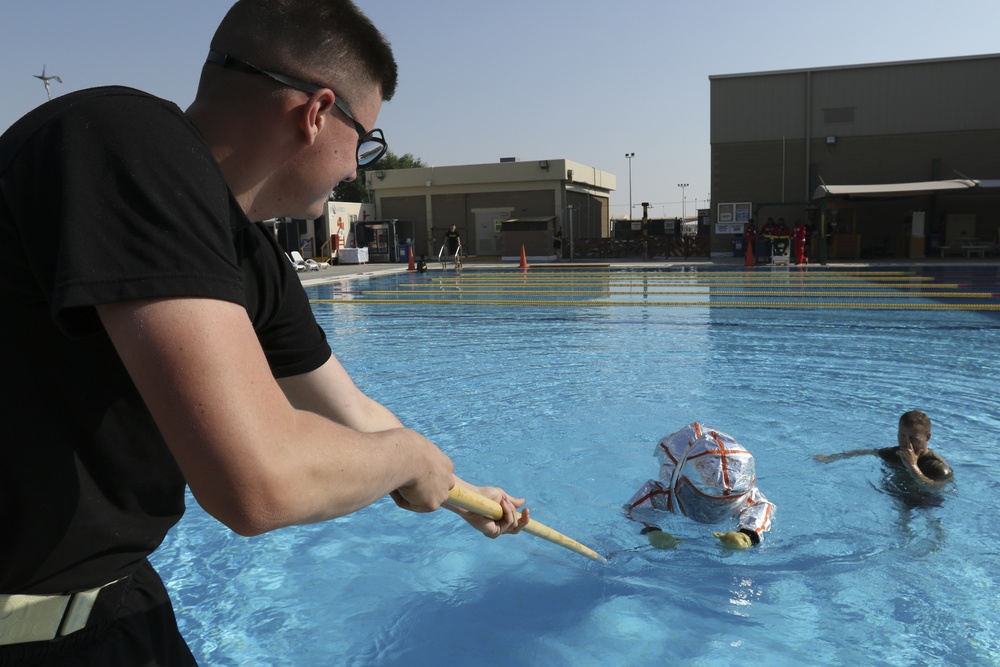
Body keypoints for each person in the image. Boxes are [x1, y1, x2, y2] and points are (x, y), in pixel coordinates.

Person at [0, 2, 528, 663]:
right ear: (317, 114)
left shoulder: (248, 257)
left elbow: (352, 410)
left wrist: (462, 492)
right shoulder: (125, 145)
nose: (355, 169)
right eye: (364, 140)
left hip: (116, 608)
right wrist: (407, 457)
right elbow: (258, 482)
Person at [625, 422, 775, 549]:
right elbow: (634, 509)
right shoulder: (665, 493)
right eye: (701, 500)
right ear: (683, 487)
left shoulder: (737, 489)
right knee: (671, 466)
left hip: (724, 453)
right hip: (679, 445)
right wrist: (652, 532)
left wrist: (747, 535)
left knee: (722, 473)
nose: (710, 511)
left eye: (723, 504)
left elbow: (762, 506)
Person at [814, 410, 953, 490]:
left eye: (913, 438)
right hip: (899, 494)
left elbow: (939, 489)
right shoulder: (894, 453)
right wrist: (831, 458)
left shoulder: (938, 467)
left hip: (927, 500)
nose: (906, 442)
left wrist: (912, 467)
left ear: (927, 437)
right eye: (902, 436)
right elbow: (867, 452)